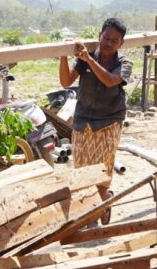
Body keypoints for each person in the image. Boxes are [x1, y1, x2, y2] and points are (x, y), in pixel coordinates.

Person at [59, 17, 132, 225]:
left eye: (114, 40)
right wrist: (64, 55)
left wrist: (89, 61)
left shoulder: (124, 64)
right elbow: (66, 81)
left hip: (109, 121)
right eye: (106, 37)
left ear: (121, 43)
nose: (108, 43)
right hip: (83, 119)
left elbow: (110, 81)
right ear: (100, 35)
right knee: (81, 171)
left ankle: (104, 200)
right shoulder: (86, 56)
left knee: (101, 171)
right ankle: (90, 213)